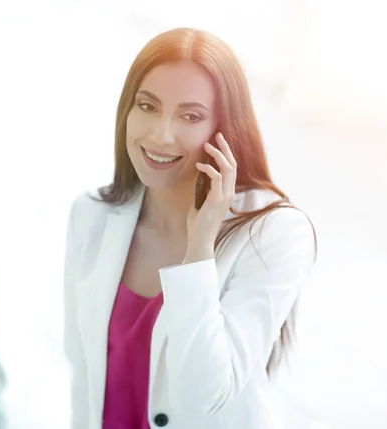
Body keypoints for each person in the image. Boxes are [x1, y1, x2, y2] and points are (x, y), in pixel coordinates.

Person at [62, 27, 317, 429]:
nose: (161, 135)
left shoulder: (275, 234)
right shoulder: (91, 215)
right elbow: (83, 374)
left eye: (190, 115)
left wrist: (200, 250)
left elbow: (205, 401)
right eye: (148, 106)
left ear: (225, 131)